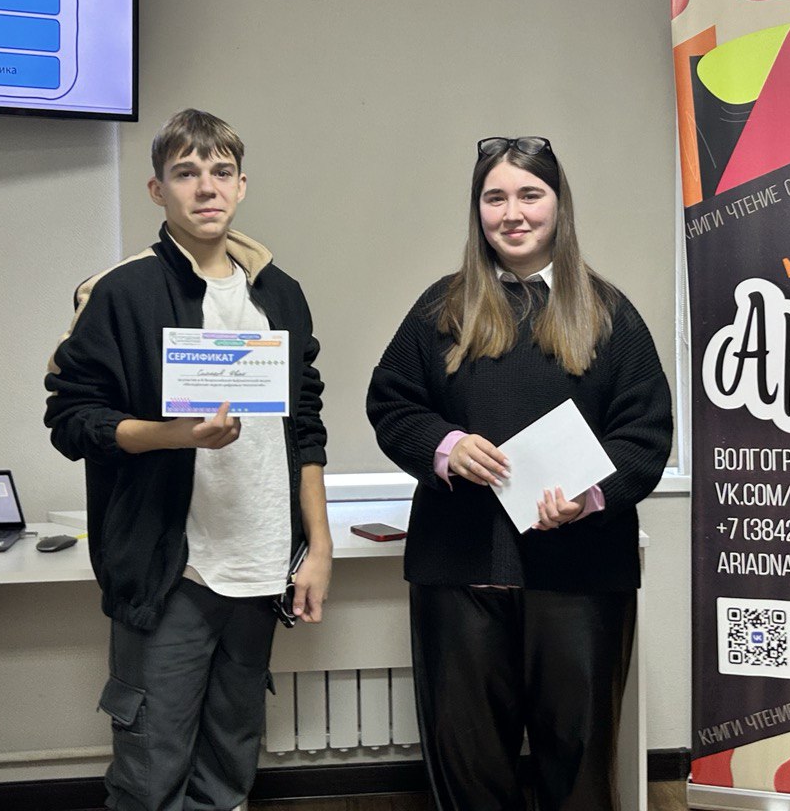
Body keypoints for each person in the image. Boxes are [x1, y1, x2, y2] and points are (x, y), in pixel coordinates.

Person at [366, 135, 672, 811]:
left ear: (559, 205)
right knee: (469, 770)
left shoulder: (610, 314)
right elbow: (391, 403)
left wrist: (591, 496)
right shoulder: (441, 309)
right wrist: (445, 445)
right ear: (477, 210)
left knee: (579, 771)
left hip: (581, 577)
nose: (512, 213)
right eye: (494, 197)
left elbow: (646, 435)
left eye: (530, 195)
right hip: (461, 573)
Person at [44, 109, 331, 811]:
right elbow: (72, 421)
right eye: (186, 173)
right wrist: (174, 436)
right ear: (157, 190)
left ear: (241, 186)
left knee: (230, 764)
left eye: (221, 172)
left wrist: (319, 547)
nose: (207, 188)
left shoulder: (280, 294)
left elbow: (306, 426)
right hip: (171, 571)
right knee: (151, 771)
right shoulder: (121, 292)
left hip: (261, 564)